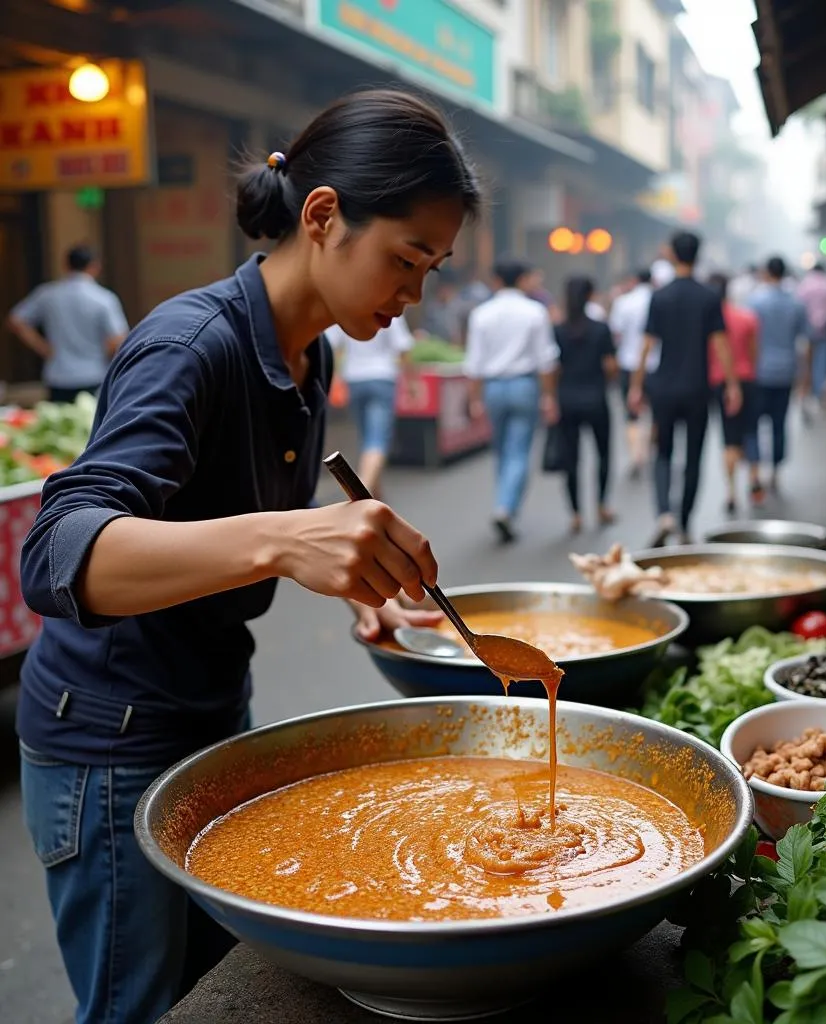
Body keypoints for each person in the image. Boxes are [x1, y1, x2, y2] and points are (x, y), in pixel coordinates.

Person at [16, 88, 480, 1024]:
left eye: (433, 268)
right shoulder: (189, 346)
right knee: (139, 1007)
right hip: (111, 739)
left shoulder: (309, 355)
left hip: (210, 706)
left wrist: (350, 574)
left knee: (218, 994)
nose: (414, 295)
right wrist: (287, 537)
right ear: (322, 216)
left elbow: (235, 515)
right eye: (405, 258)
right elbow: (57, 553)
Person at [629, 231, 740, 546]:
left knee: (662, 452)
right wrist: (732, 385)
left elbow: (647, 346)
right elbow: (721, 345)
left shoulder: (660, 296)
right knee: (694, 456)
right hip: (697, 389)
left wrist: (636, 386)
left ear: (673, 255)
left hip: (663, 387)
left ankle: (664, 513)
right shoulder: (708, 297)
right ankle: (685, 520)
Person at [464, 259, 559, 544]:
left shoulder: (481, 314)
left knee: (502, 450)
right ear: (521, 279)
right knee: (518, 451)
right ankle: (506, 507)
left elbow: (474, 362)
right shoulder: (535, 311)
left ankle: (503, 502)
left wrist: (474, 399)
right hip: (524, 385)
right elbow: (546, 360)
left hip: (493, 388)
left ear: (496, 280)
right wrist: (549, 396)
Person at [7, 244, 129, 403]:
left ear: (66, 265)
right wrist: (102, 353)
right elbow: (118, 339)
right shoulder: (103, 298)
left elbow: (15, 320)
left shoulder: (48, 294)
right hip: (93, 374)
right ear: (95, 266)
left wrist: (43, 347)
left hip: (58, 375)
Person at [554, 276, 618, 533]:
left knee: (571, 458)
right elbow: (611, 365)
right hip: (595, 398)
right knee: (603, 454)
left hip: (567, 399)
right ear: (591, 296)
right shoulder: (601, 329)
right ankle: (601, 505)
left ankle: (576, 513)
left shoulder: (558, 329)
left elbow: (553, 367)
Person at [325, 314, 414, 497]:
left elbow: (331, 345)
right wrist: (411, 381)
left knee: (367, 438)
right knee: (377, 440)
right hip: (382, 377)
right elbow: (403, 348)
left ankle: (376, 496)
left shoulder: (348, 308)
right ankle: (361, 494)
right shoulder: (390, 310)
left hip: (354, 379)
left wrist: (334, 377)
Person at [746, 256, 809, 501]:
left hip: (758, 372)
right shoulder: (795, 303)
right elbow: (804, 342)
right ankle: (775, 472)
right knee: (779, 424)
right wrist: (805, 377)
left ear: (765, 273)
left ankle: (755, 472)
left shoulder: (754, 302)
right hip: (785, 372)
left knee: (752, 425)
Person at [707, 272, 758, 515]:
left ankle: (731, 491)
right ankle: (754, 476)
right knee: (750, 430)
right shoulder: (745, 318)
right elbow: (753, 351)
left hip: (718, 382)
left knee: (728, 438)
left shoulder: (705, 323)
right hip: (746, 378)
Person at [608, 268, 657, 477]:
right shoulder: (659, 300)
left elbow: (615, 332)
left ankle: (636, 454)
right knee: (655, 413)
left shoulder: (623, 302)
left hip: (629, 362)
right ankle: (647, 449)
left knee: (632, 412)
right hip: (656, 364)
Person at [795, 262, 826, 409]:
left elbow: (799, 306)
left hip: (807, 328)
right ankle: (819, 390)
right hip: (825, 328)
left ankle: (806, 391)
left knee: (806, 362)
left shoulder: (805, 284)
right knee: (822, 360)